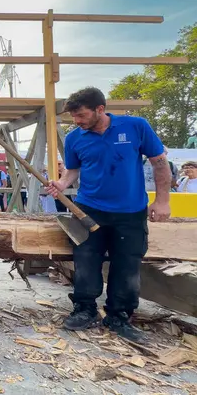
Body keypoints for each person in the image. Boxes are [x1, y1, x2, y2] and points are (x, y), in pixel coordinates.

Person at [45, 87, 171, 344]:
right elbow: (72, 171)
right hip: (89, 210)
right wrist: (61, 184)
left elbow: (160, 163)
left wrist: (163, 201)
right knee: (86, 259)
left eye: (81, 115)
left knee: (127, 264)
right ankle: (85, 309)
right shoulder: (74, 138)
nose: (76, 122)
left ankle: (119, 316)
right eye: (73, 117)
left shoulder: (136, 126)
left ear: (100, 109)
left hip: (131, 212)